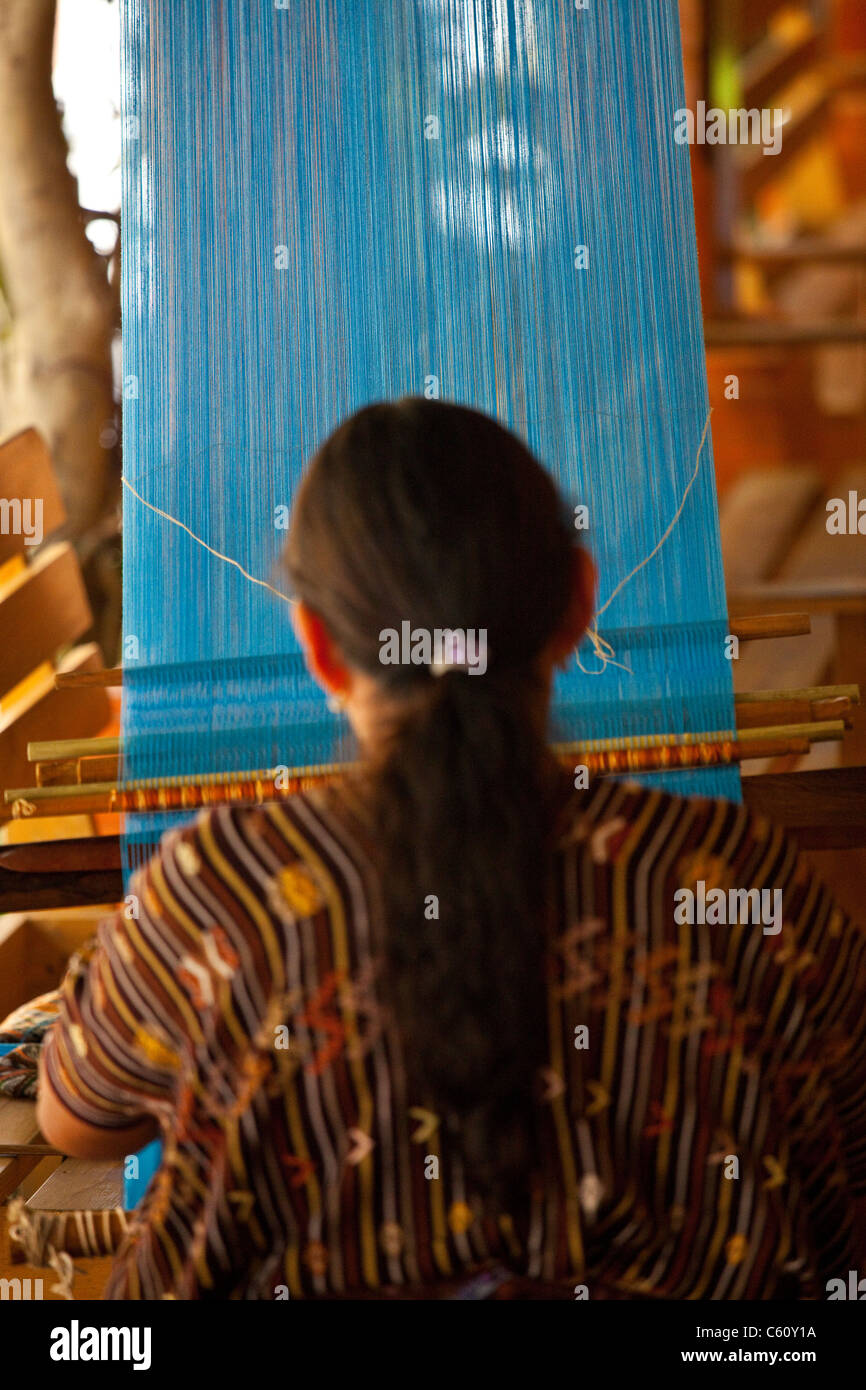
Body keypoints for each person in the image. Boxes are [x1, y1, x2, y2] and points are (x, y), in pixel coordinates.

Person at [38, 398, 866, 1299]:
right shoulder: (735, 885)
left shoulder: (220, 892)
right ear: (579, 602)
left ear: (316, 645)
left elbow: (79, 1120)